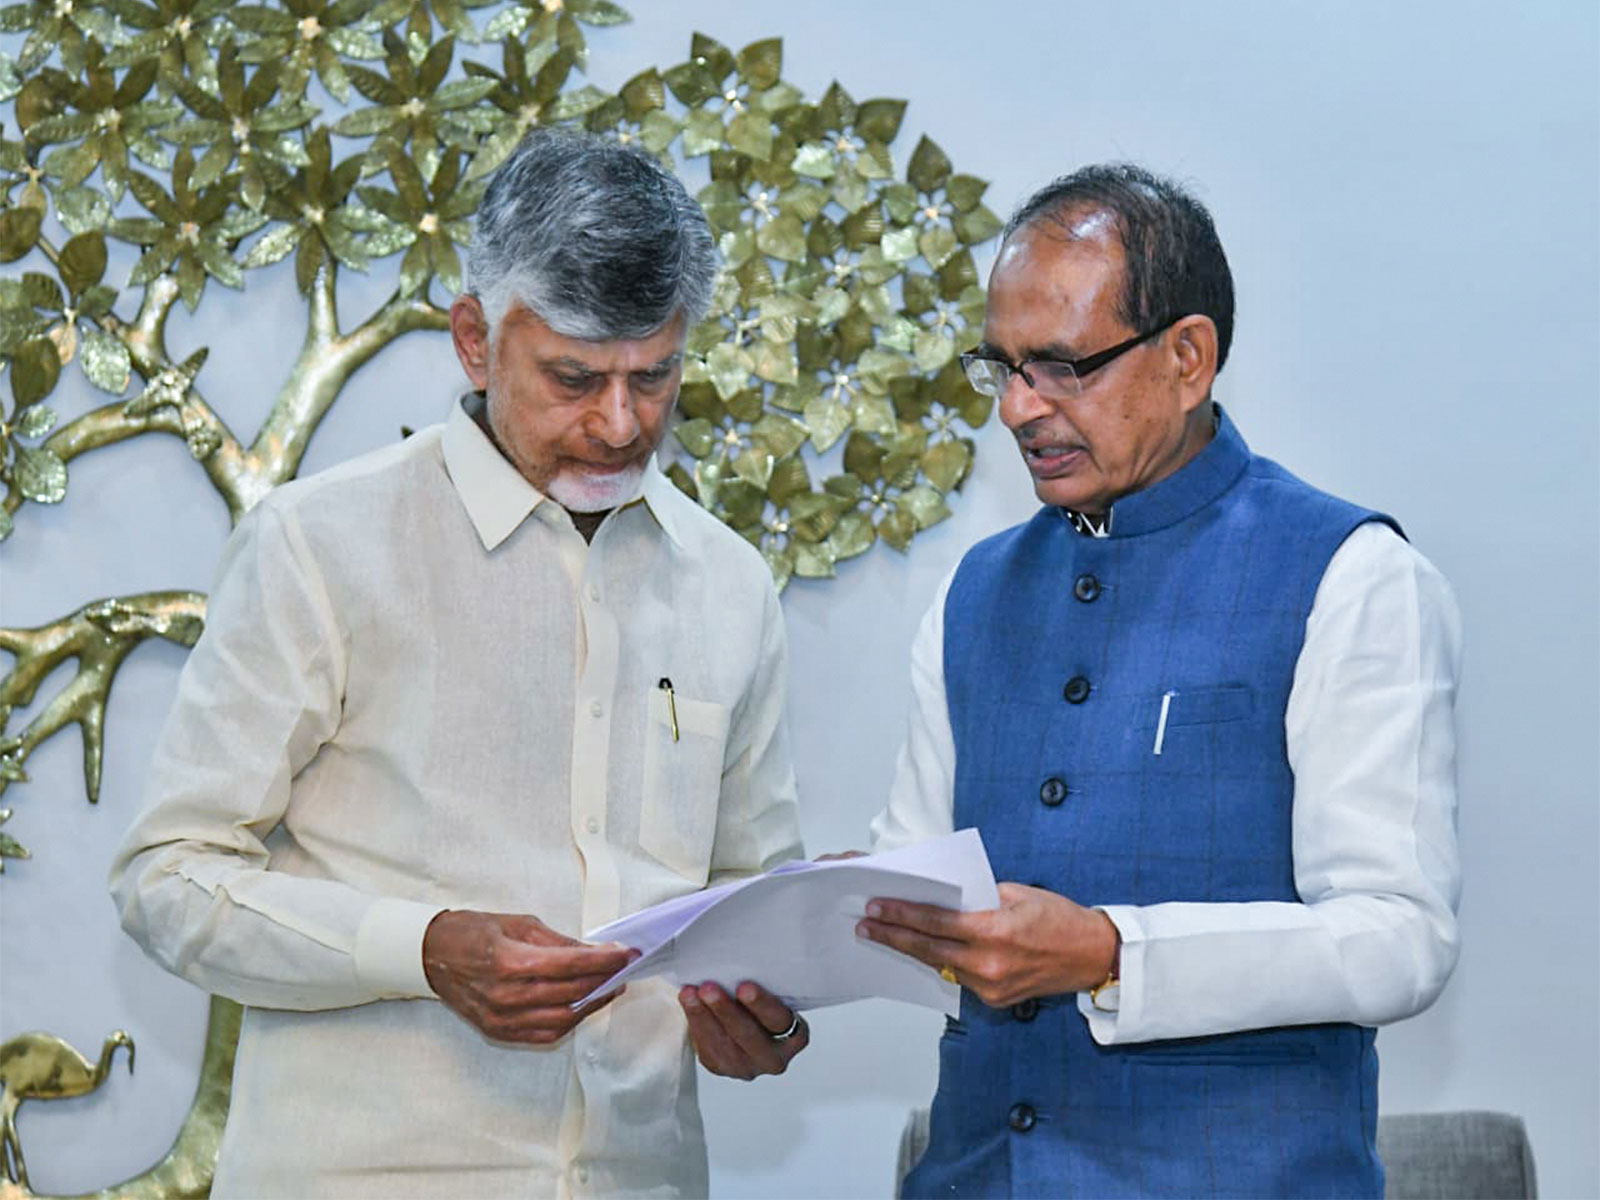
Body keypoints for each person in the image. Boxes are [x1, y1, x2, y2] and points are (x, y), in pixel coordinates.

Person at [110, 127, 809, 1199]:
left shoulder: (727, 581)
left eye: (654, 376)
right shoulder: (321, 544)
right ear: (476, 341)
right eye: (575, 378)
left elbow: (751, 893)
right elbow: (168, 880)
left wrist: (760, 1013)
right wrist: (424, 950)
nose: (621, 424)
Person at [857, 164, 1462, 1198]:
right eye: (997, 366)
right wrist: (785, 962)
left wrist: (1107, 951)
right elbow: (918, 889)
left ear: (1188, 357)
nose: (1015, 408)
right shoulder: (976, 589)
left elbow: (1397, 938)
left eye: (1058, 366)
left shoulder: (1350, 573)